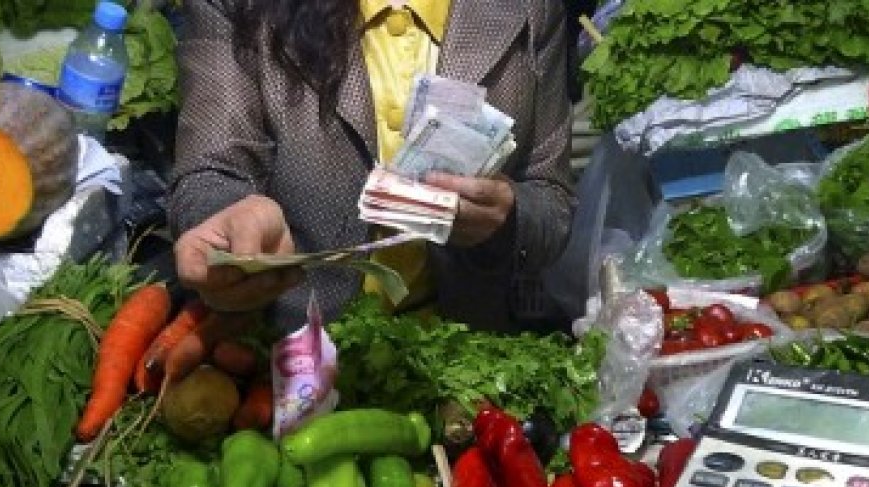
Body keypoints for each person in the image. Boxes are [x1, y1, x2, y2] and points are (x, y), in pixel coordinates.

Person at [169, 0, 577, 334]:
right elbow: (210, 172)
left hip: (463, 354)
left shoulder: (530, 10)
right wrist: (231, 220)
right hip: (292, 353)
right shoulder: (238, 7)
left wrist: (508, 217)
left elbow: (552, 202)